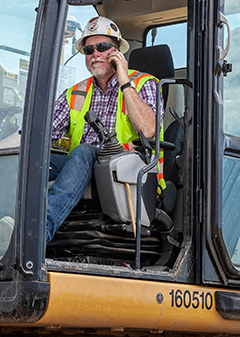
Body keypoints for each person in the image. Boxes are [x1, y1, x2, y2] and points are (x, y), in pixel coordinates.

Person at [48, 16, 162, 242]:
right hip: (81, 168)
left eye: (102, 47)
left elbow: (149, 129)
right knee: (31, 157)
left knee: (85, 151)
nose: (95, 54)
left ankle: (37, 233)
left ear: (117, 52)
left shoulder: (143, 84)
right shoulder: (76, 92)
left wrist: (124, 80)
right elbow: (42, 134)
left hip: (128, 171)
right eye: (89, 49)